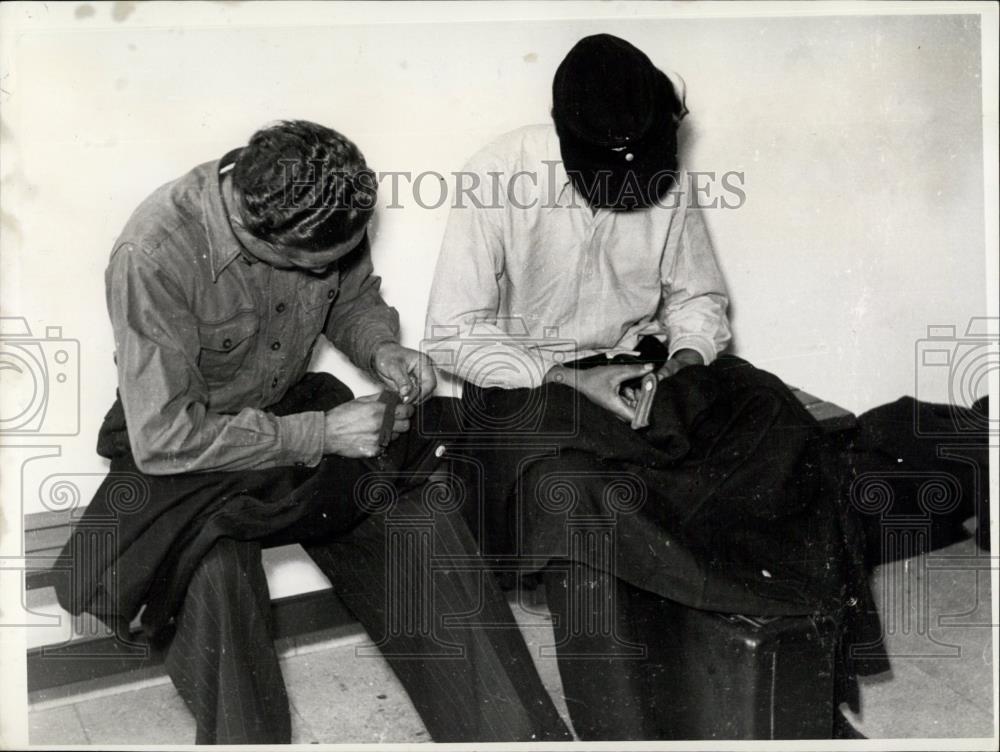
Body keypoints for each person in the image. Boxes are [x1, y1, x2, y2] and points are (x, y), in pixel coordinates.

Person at [55, 120, 571, 744]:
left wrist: (382, 349)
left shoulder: (325, 206)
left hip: (293, 409)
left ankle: (514, 739)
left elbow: (353, 301)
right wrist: (321, 436)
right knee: (214, 572)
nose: (334, 268)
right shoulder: (154, 253)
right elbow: (165, 438)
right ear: (254, 231)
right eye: (317, 264)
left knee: (414, 513)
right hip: (188, 445)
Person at [424, 34, 880, 740]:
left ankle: (798, 685)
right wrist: (570, 377)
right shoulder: (495, 174)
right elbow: (453, 335)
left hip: (639, 370)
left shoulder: (666, 176)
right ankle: (624, 731)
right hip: (527, 383)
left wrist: (680, 364)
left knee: (774, 420)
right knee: (573, 495)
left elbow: (698, 300)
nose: (636, 195)